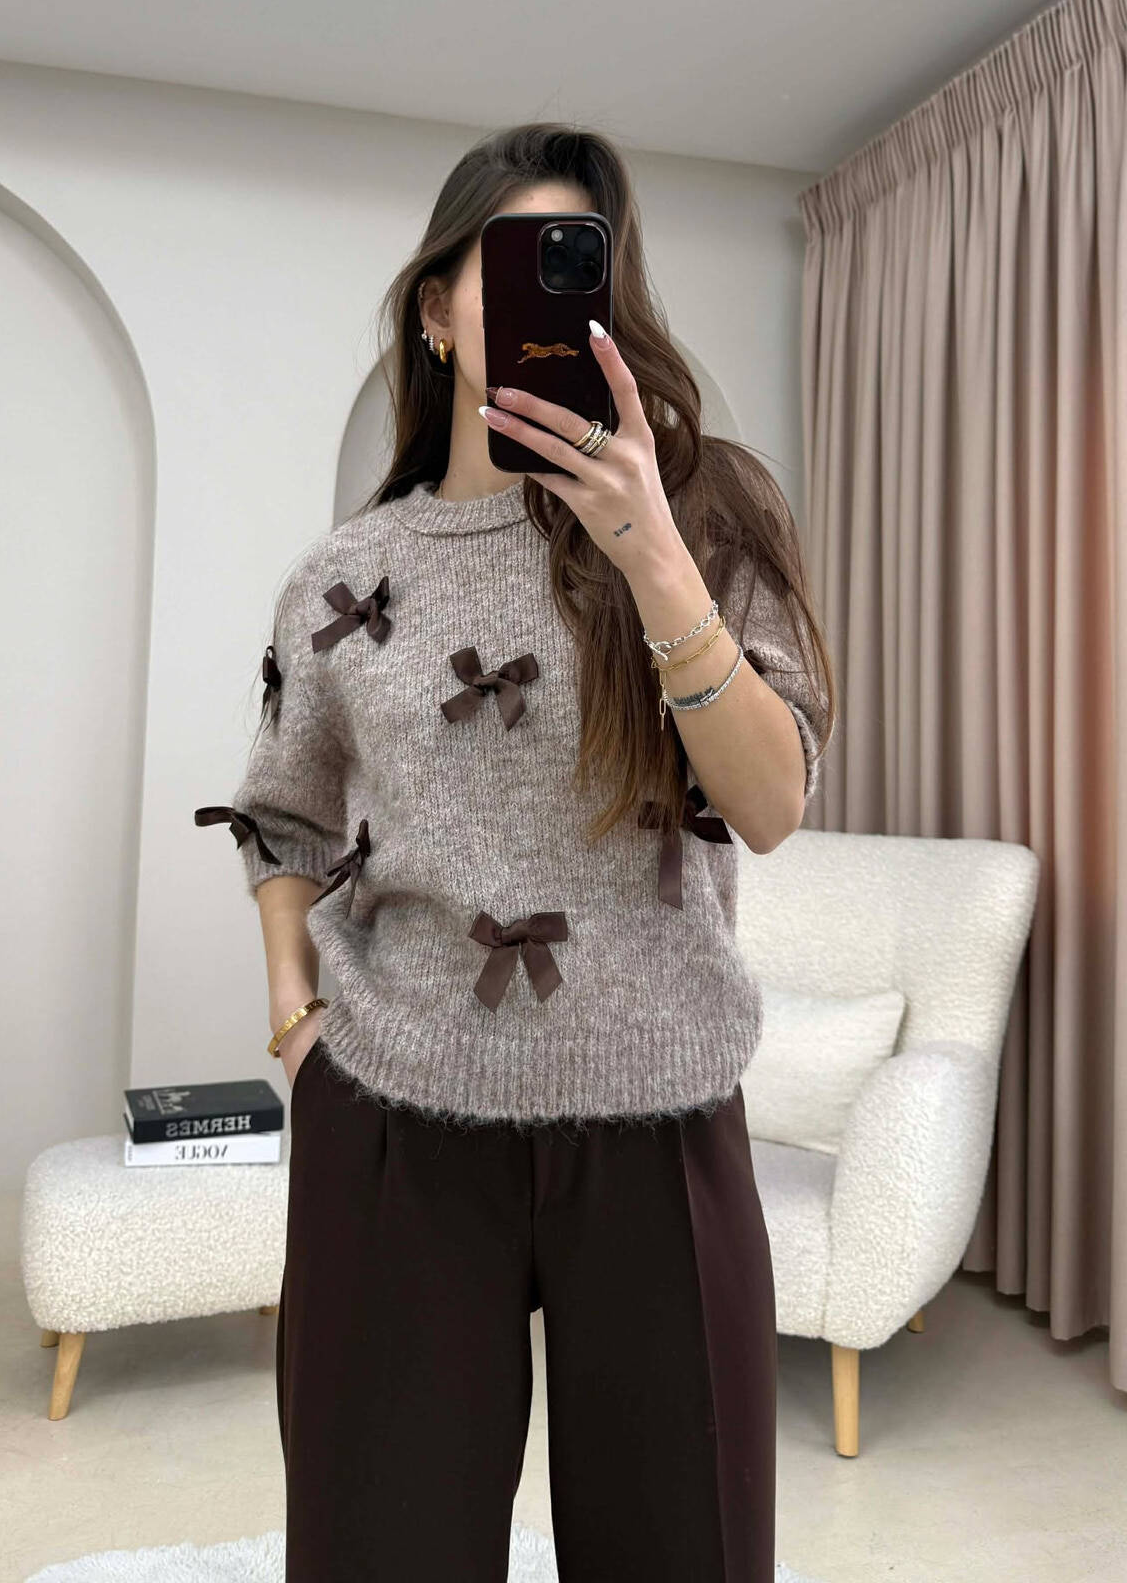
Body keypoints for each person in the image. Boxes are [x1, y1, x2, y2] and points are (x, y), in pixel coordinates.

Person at [195, 121, 835, 1583]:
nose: (542, 294)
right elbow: (284, 812)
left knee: (687, 1549)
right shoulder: (347, 576)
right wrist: (294, 1015)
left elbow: (773, 802)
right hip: (396, 1121)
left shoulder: (707, 509)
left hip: (659, 1111)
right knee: (379, 1549)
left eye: (576, 264)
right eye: (506, 264)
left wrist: (651, 552)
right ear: (436, 307)